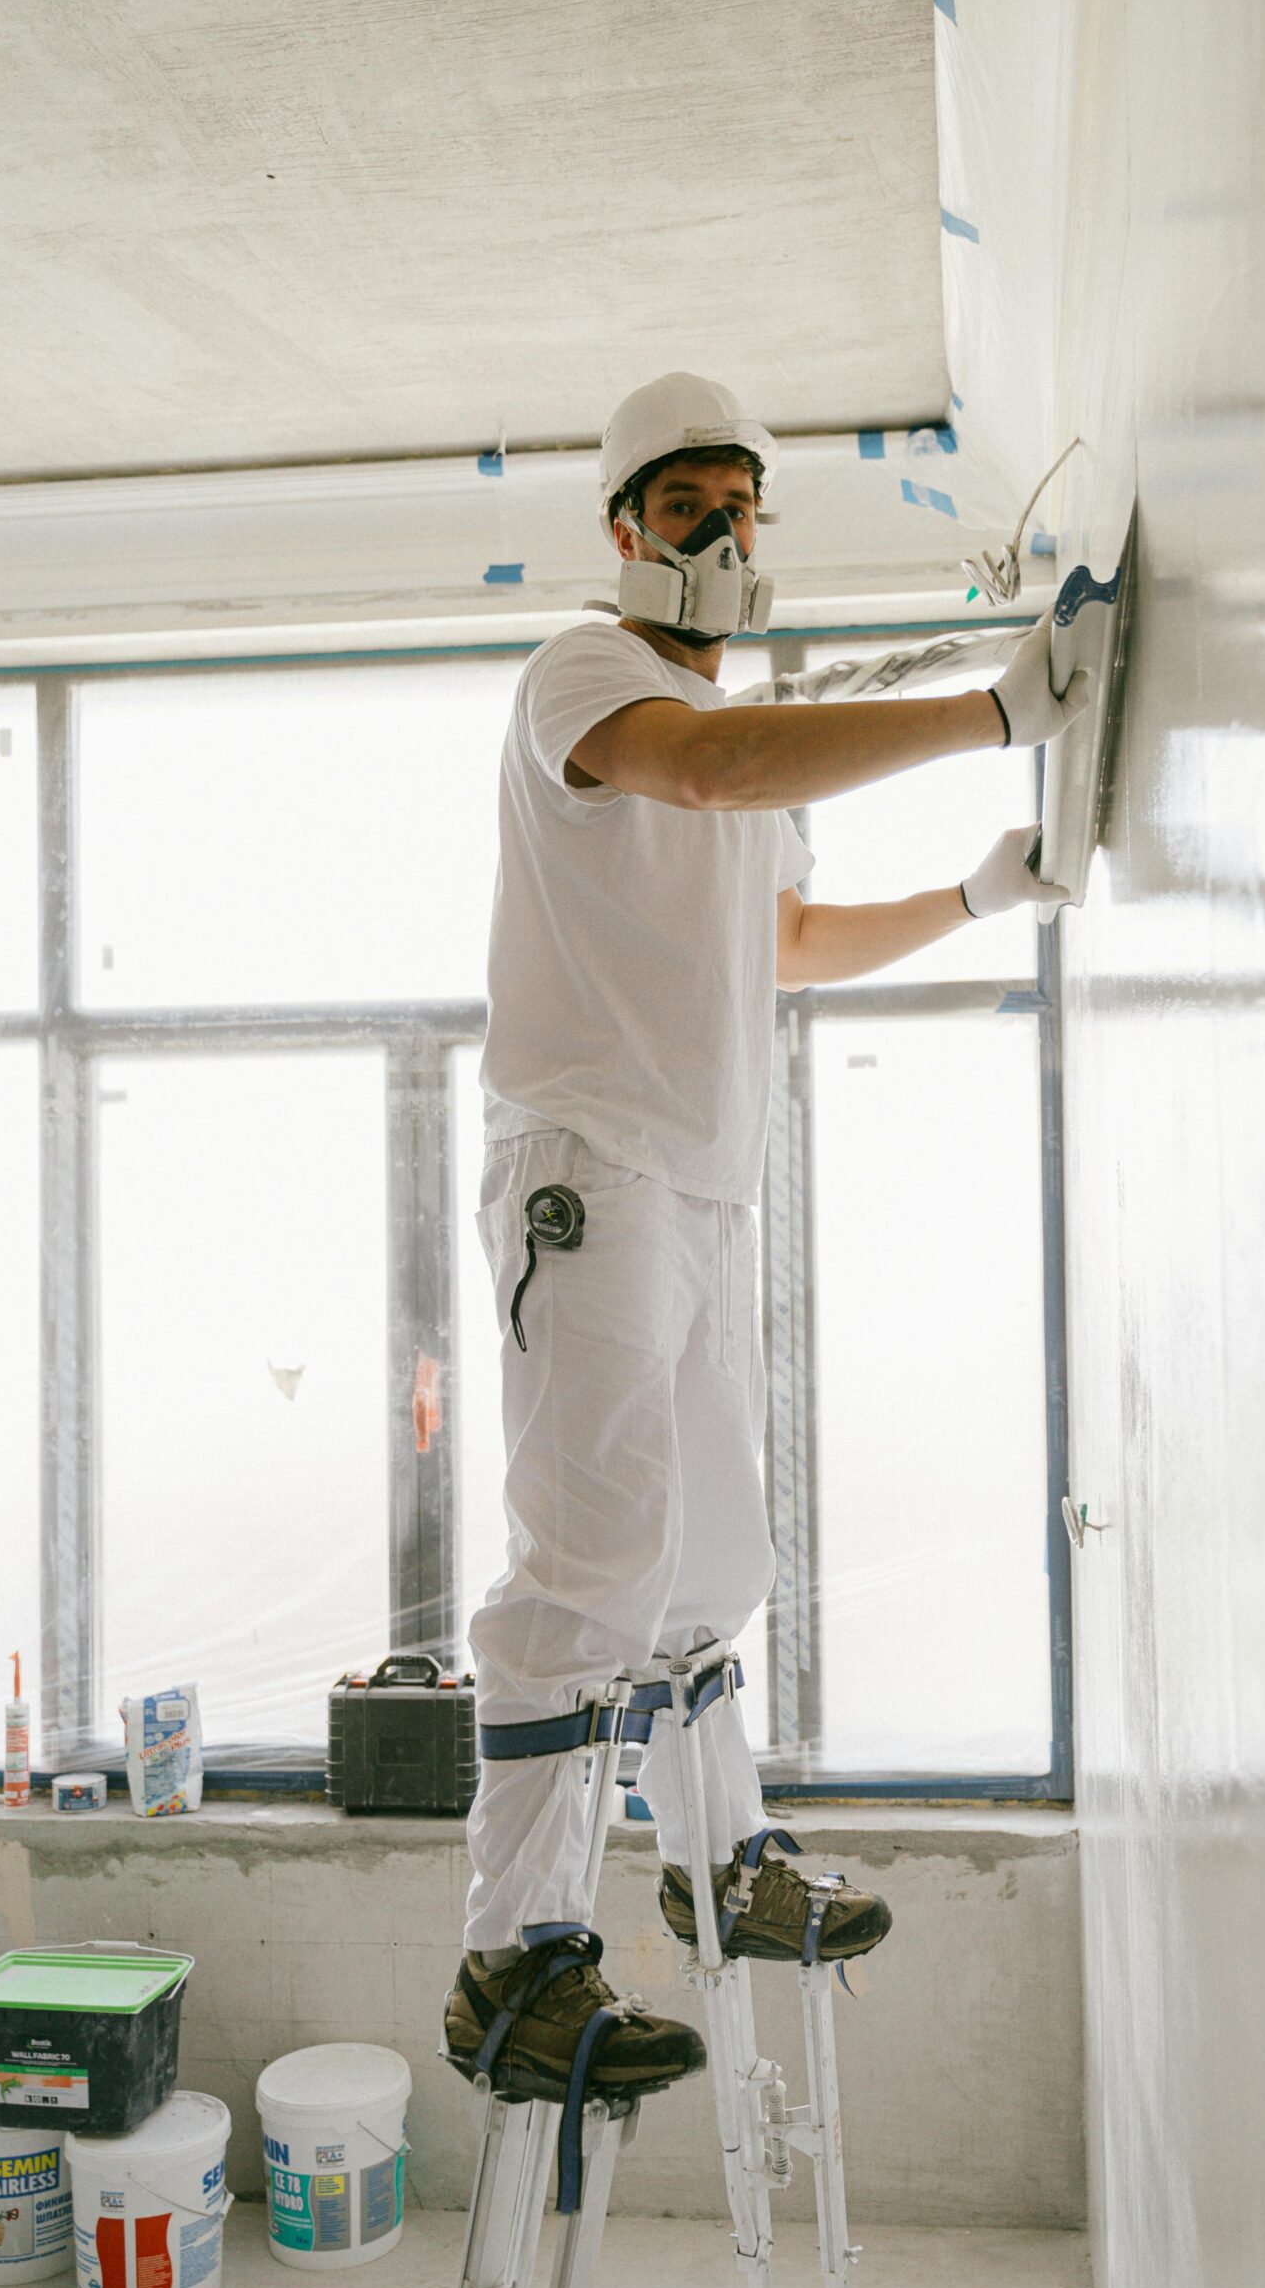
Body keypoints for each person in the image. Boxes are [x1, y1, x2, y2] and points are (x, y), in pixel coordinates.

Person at [444, 372, 1090, 2105]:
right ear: (624, 527)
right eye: (687, 506)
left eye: (744, 503)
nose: (726, 535)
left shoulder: (743, 756)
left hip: (702, 1186)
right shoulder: (588, 675)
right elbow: (714, 769)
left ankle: (719, 1865)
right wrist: (992, 711)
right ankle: (514, 1967)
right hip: (591, 1164)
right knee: (584, 1573)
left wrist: (981, 893)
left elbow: (784, 938)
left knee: (708, 1570)